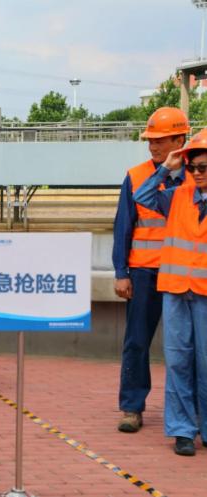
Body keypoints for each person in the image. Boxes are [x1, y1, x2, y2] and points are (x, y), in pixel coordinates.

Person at [112, 107, 191, 432]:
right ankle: (132, 407)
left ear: (180, 140)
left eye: (161, 140)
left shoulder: (196, 175)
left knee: (187, 347)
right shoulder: (136, 176)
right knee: (136, 341)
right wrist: (121, 272)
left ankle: (191, 412)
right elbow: (123, 228)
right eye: (151, 140)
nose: (153, 146)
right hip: (144, 272)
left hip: (183, 274)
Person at [132, 128, 207, 456]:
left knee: (205, 363)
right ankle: (182, 431)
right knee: (177, 361)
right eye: (193, 168)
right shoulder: (177, 195)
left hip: (204, 294)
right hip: (176, 291)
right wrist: (168, 167)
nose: (197, 173)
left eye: (203, 167)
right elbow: (143, 197)